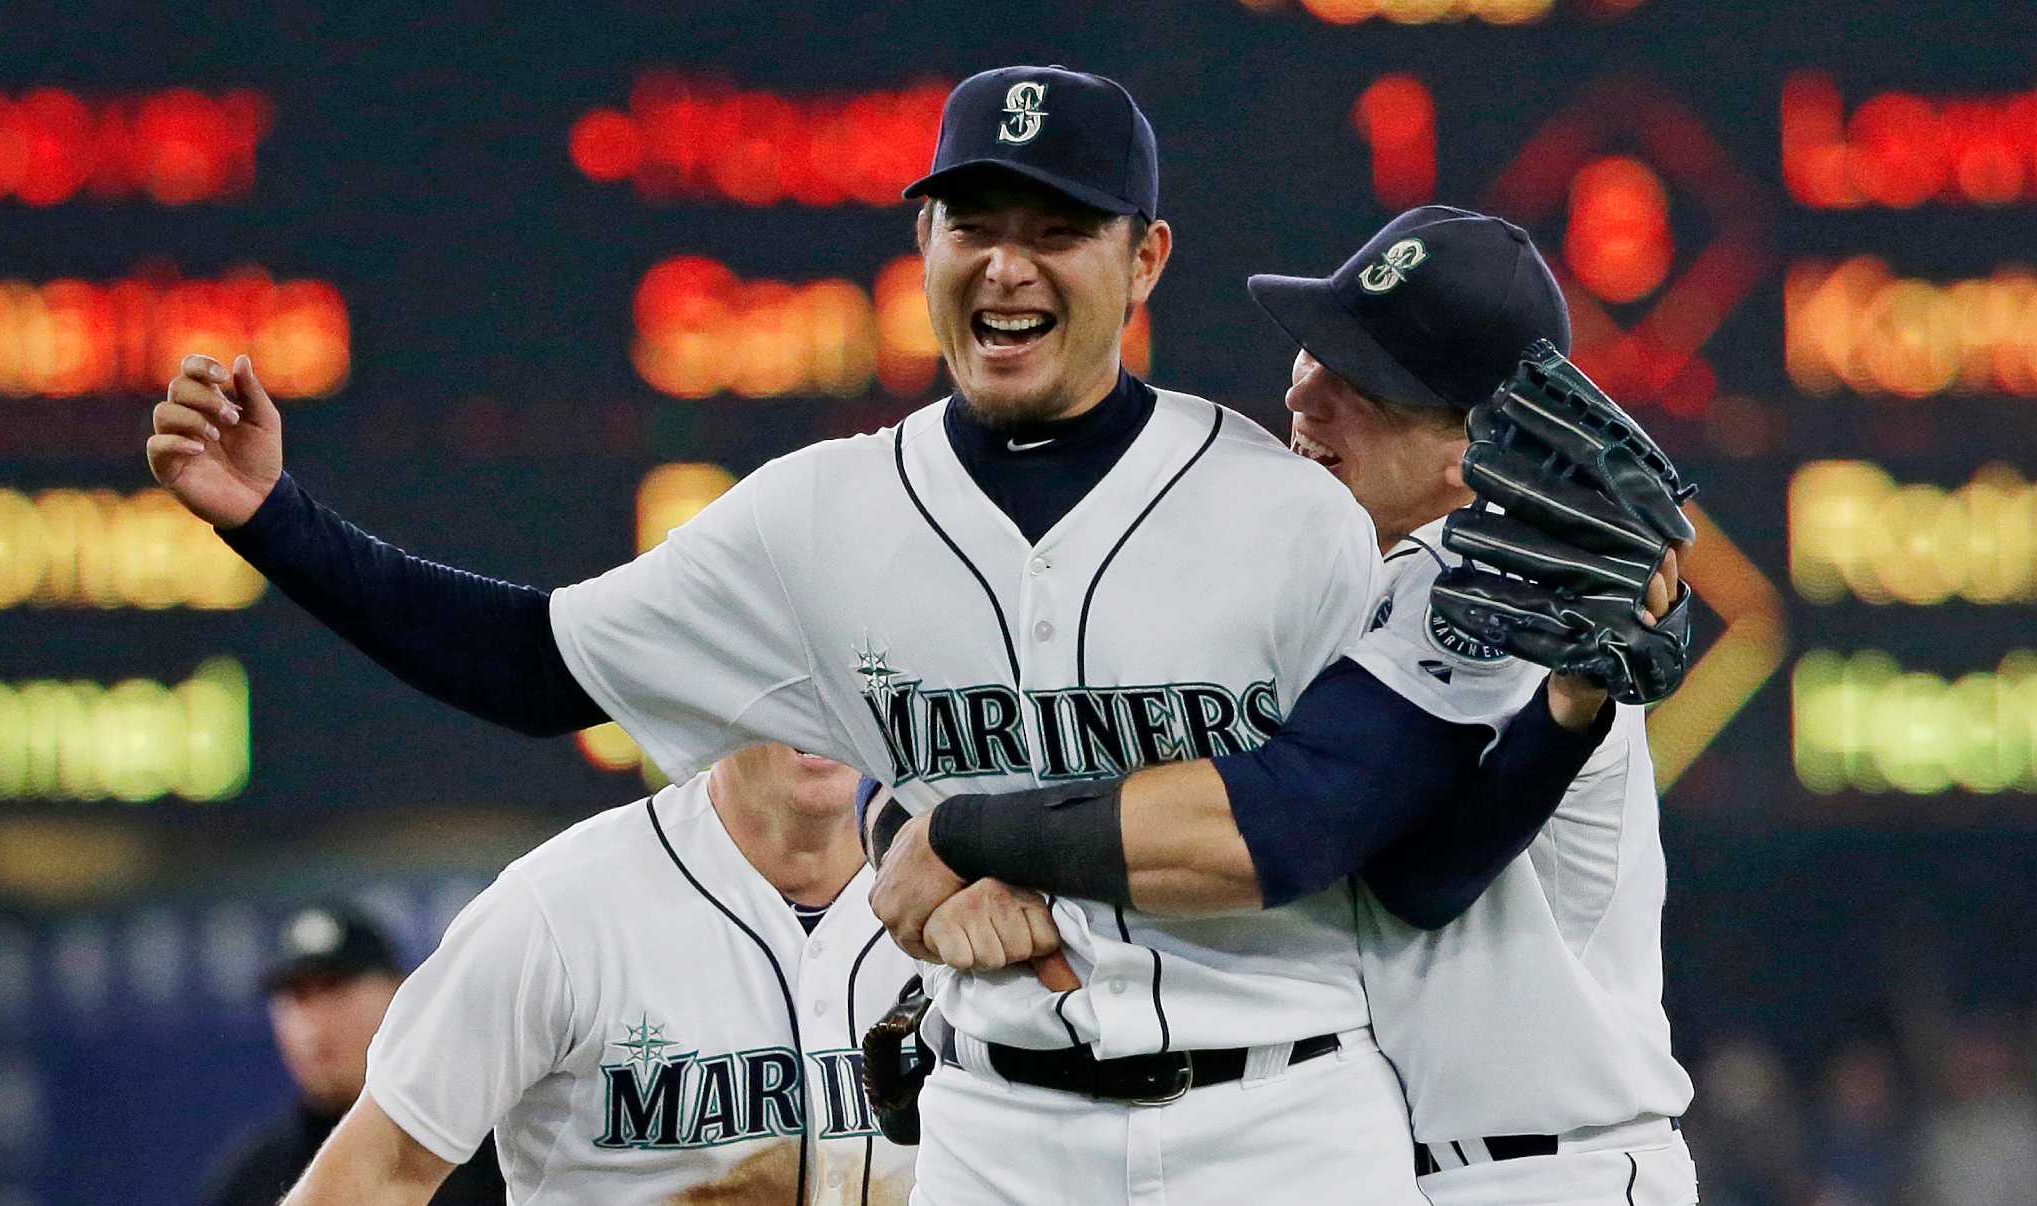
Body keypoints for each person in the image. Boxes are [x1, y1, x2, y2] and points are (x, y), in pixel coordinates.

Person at [148, 66, 1677, 1204]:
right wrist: (279, 522)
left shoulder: (1302, 508)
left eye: (1058, 228)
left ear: (1143, 263)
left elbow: (1333, 825)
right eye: (973, 220)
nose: (1008, 261)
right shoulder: (818, 519)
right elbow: (527, 660)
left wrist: (954, 828)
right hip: (996, 1133)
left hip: (1291, 1127)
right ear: (926, 246)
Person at [862, 208, 1698, 1205]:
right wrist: (935, 849)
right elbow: (997, 720)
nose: (1304, 391)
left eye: (1362, 382)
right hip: (1378, 1156)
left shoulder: (1513, 591)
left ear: (1475, 448)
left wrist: (969, 837)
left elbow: (1361, 855)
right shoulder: (1331, 601)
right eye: (1315, 353)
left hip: (1550, 1168)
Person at [279, 744, 919, 1204]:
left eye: (833, 653)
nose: (813, 695)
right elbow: (371, 1178)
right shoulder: (556, 910)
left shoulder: (972, 897)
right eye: (783, 658)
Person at [196, 903, 504, 1206]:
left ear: (397, 993)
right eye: (297, 996)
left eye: (335, 988)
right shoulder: (249, 1179)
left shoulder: (491, 1153)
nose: (314, 1023)